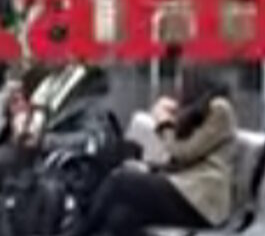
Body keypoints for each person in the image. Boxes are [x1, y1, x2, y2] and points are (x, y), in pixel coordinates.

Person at [73, 68, 237, 236]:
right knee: (121, 218)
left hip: (202, 199)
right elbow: (179, 160)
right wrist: (150, 167)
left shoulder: (221, 108)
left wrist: (164, 122)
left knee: (120, 181)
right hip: (185, 190)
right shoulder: (198, 110)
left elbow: (185, 152)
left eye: (183, 80)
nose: (179, 87)